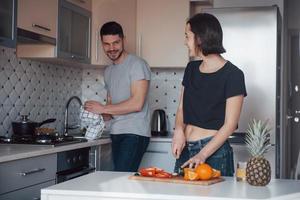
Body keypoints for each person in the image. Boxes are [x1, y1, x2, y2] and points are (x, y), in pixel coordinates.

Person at [172, 13, 247, 176]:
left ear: (199, 38)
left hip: (214, 153)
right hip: (185, 149)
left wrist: (202, 154)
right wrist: (178, 130)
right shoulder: (191, 69)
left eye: (187, 36)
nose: (185, 42)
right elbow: (181, 108)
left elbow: (230, 125)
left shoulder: (233, 75)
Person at [84, 21, 151, 172]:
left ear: (123, 40)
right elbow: (110, 106)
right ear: (102, 44)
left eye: (116, 43)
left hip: (134, 133)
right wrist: (94, 114)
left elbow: (137, 103)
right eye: (106, 44)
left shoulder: (137, 64)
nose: (112, 48)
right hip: (116, 132)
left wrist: (102, 108)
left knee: (120, 180)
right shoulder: (108, 71)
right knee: (119, 180)